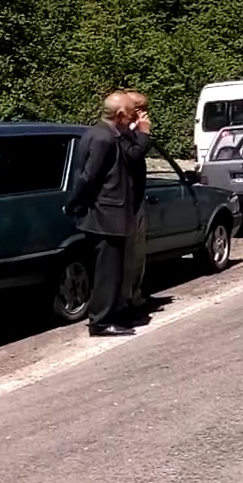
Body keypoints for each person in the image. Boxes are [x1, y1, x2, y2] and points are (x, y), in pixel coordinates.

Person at [64, 91, 149, 337]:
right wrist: (74, 203)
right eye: (131, 112)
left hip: (111, 215)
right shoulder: (103, 138)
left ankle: (114, 314)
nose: (134, 117)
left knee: (114, 270)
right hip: (105, 216)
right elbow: (88, 177)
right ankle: (100, 322)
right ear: (120, 114)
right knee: (107, 272)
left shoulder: (108, 134)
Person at [121, 90, 153, 312]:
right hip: (124, 204)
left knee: (138, 254)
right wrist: (144, 134)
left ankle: (135, 294)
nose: (143, 114)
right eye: (138, 108)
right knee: (128, 255)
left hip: (136, 200)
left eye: (144, 108)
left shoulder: (131, 132)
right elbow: (132, 156)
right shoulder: (119, 133)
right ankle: (127, 300)